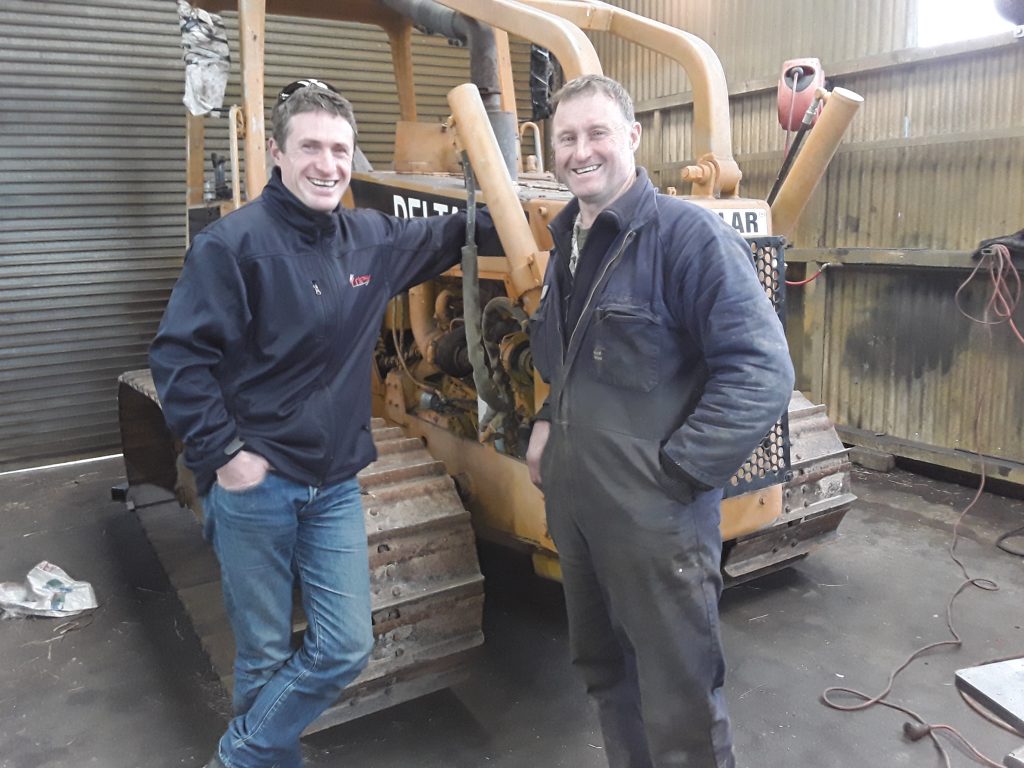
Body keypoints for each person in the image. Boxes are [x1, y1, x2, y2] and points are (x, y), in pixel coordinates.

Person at [149, 79, 492, 768]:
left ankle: (241, 754)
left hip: (333, 483)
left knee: (344, 645)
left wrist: (516, 204)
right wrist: (225, 456)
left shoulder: (368, 238)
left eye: (340, 149)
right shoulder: (233, 247)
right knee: (265, 653)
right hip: (258, 487)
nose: (327, 164)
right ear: (277, 152)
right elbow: (178, 358)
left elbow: (448, 233)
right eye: (310, 147)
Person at [525, 74, 795, 768]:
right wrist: (551, 418)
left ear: (633, 139)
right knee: (608, 677)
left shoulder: (687, 237)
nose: (582, 151)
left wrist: (675, 474)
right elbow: (579, 361)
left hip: (656, 521)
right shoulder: (569, 243)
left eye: (597, 134)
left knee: (680, 704)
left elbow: (761, 369)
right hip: (580, 515)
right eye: (568, 138)